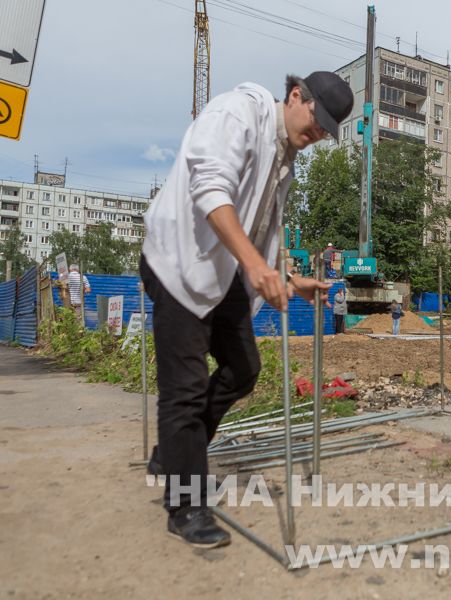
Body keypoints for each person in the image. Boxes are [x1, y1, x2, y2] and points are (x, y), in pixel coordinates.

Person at [140, 71, 352, 548]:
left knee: (244, 368)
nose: (317, 136)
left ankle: (173, 454)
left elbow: (261, 234)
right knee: (186, 390)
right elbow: (211, 189)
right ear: (296, 96)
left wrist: (290, 281)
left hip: (224, 269)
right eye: (317, 122)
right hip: (177, 260)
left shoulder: (286, 161)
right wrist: (255, 266)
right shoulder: (238, 113)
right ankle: (186, 506)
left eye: (325, 134)